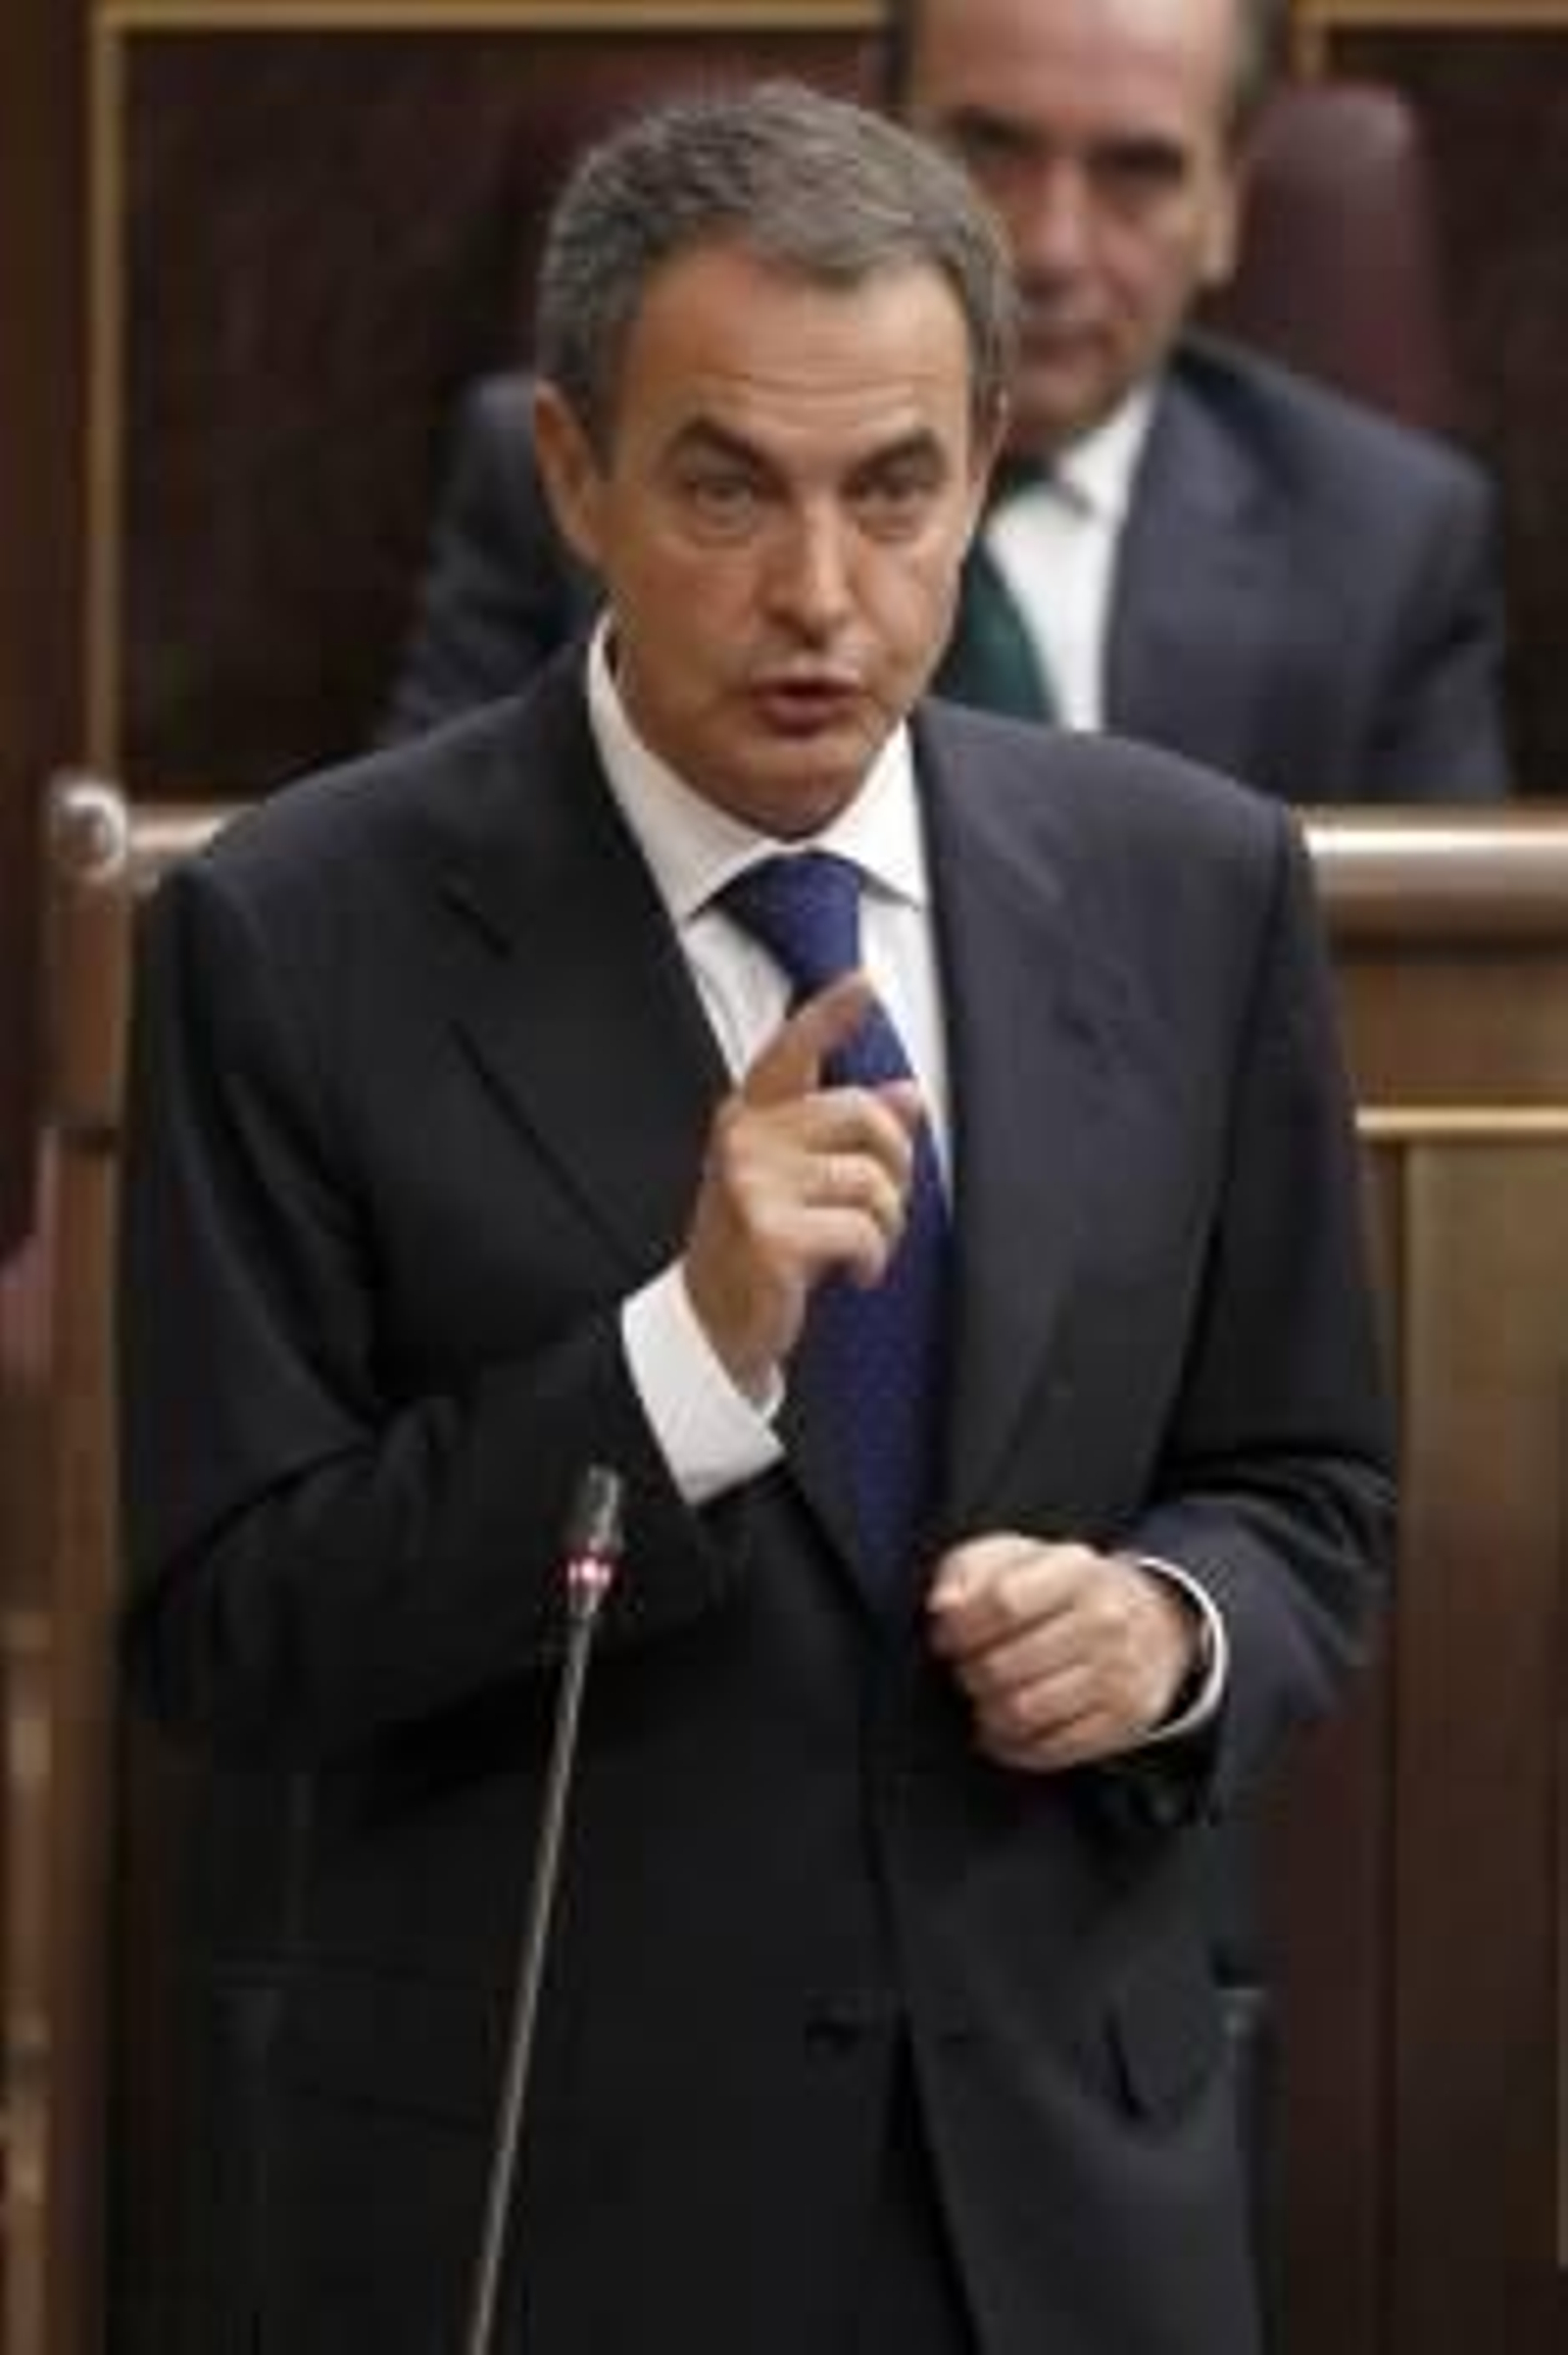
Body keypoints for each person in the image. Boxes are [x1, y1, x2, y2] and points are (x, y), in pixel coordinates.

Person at [120, 81, 1394, 2355]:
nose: (821, 593)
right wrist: (678, 1364)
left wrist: (1171, 1631)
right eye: (726, 487)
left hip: (1068, 2208)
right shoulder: (294, 935)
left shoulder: (1193, 889)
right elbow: (232, 1631)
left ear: (978, 469)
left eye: (892, 491)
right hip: (558, 2202)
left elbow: (1304, 1492)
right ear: (576, 479)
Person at [380, 0, 1512, 804]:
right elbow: (428, 906)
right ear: (873, 124)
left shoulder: (1384, 539)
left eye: (1136, 173)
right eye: (989, 149)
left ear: (1225, 202)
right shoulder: (574, 465)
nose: (1050, 246)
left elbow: (1434, 1011)